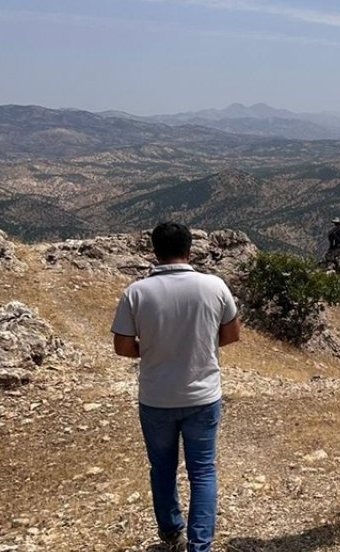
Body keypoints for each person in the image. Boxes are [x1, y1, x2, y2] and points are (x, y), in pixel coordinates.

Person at [111, 222, 240, 552]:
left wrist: (154, 350)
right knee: (203, 472)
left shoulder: (136, 292)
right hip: (203, 395)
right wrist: (197, 348)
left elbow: (123, 346)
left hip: (156, 397)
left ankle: (171, 532)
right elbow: (231, 334)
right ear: (190, 249)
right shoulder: (214, 286)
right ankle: (200, 545)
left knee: (163, 469)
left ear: (154, 252)